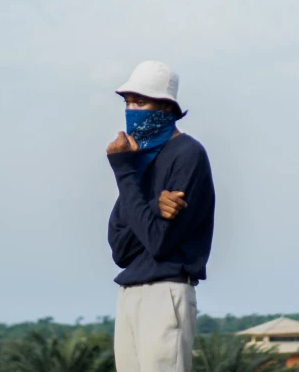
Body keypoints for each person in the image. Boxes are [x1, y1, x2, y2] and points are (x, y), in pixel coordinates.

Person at [106, 60, 215, 372]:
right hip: (129, 293)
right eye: (127, 102)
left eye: (140, 101)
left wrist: (124, 173)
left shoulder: (188, 154)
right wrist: (153, 205)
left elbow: (157, 241)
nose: (131, 110)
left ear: (166, 107)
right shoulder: (138, 161)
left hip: (166, 291)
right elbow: (120, 248)